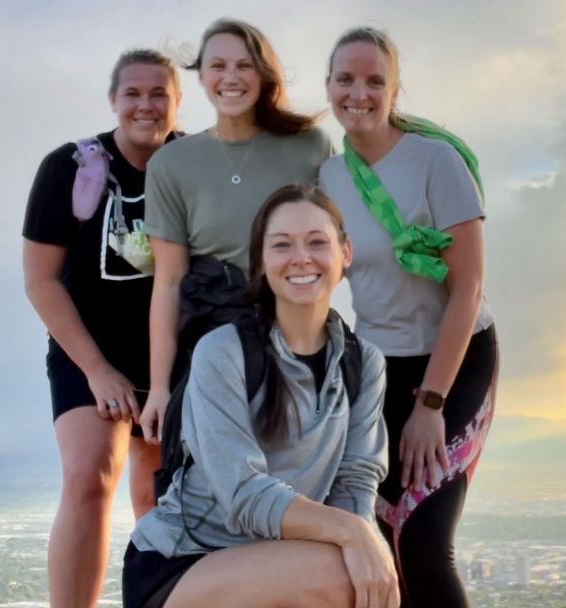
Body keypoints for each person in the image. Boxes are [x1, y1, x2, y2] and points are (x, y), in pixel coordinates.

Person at [122, 185, 398, 608]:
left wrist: (359, 538)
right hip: (183, 564)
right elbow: (245, 495)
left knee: (369, 576)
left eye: (317, 242)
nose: (301, 258)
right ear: (262, 261)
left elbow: (355, 481)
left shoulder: (364, 364)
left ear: (346, 252)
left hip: (277, 559)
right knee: (341, 572)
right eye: (282, 245)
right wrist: (352, 533)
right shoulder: (223, 352)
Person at [319, 27, 499, 607]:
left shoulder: (436, 162)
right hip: (379, 369)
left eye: (375, 80)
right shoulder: (329, 179)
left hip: (455, 359)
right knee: (379, 531)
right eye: (345, 79)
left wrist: (431, 404)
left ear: (395, 90)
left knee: (422, 539)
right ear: (329, 87)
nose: (359, 93)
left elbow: (468, 288)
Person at [22, 49, 182, 608]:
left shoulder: (192, 163)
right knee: (91, 477)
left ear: (177, 101)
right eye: (133, 93)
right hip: (86, 348)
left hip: (174, 353)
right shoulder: (69, 167)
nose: (146, 104)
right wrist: (97, 371)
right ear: (113, 100)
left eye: (159, 92)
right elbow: (41, 281)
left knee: (158, 494)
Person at [140, 19, 331, 444]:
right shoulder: (170, 164)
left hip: (296, 339)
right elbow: (168, 282)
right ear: (202, 75)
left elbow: (326, 254)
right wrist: (159, 388)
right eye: (218, 65)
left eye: (244, 65)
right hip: (210, 346)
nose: (231, 77)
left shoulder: (310, 146)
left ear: (264, 75)